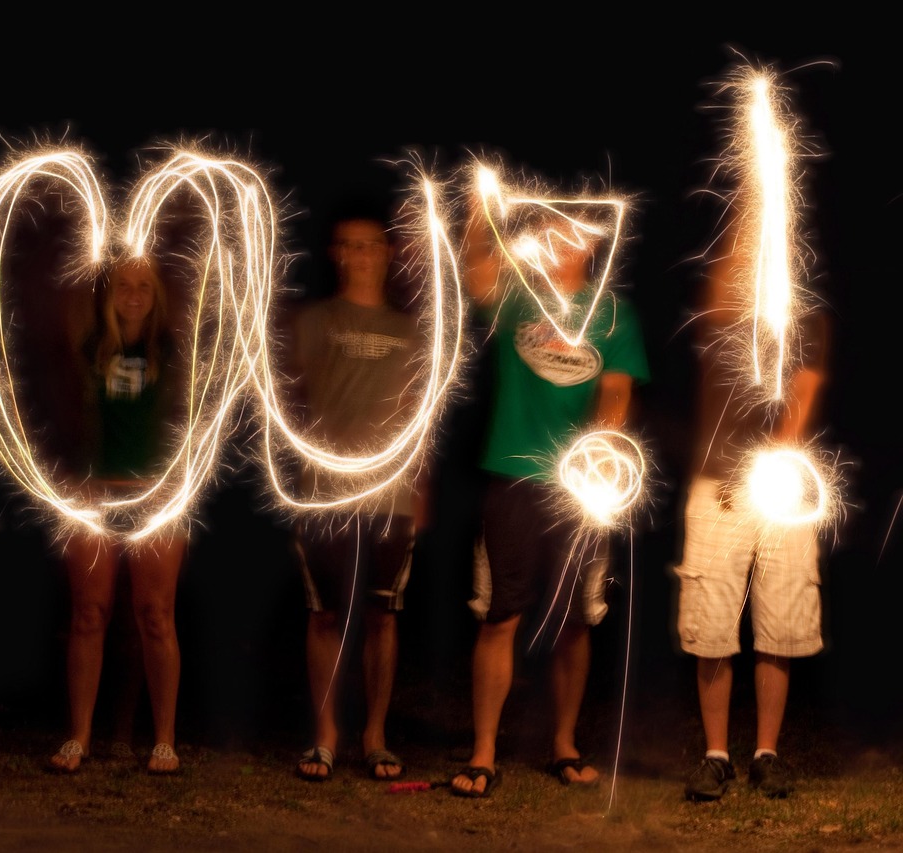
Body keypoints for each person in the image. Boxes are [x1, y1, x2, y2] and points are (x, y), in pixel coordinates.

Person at [451, 198, 650, 797]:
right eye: (551, 230)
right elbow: (474, 265)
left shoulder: (614, 315)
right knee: (501, 615)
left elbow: (616, 394)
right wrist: (476, 206)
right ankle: (483, 751)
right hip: (511, 476)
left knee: (573, 622)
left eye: (575, 233)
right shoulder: (517, 298)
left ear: (593, 244)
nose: (563, 240)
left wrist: (598, 454)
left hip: (580, 489)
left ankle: (563, 744)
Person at [675, 225, 829, 801]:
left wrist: (767, 464)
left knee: (780, 627)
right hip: (715, 488)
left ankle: (767, 754)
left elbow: (803, 393)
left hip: (780, 490)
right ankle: (716, 756)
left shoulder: (807, 320)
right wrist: (753, 213)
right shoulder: (724, 312)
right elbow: (718, 292)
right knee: (713, 626)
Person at [288, 200, 426, 782]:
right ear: (334, 254)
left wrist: (422, 487)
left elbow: (423, 412)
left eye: (370, 244)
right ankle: (325, 735)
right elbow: (288, 404)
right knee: (324, 614)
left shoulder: (412, 331)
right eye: (348, 245)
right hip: (326, 492)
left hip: (391, 494)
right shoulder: (314, 322)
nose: (359, 255)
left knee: (381, 614)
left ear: (388, 253)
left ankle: (375, 735)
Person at [47, 255, 187, 776]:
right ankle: (79, 735)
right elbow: (67, 414)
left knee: (156, 615)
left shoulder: (173, 353)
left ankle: (165, 740)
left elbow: (191, 417)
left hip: (156, 497)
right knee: (88, 614)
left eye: (144, 285)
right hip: (95, 495)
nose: (133, 294)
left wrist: (175, 481)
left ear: (157, 294)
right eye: (122, 285)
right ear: (107, 293)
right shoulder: (88, 350)